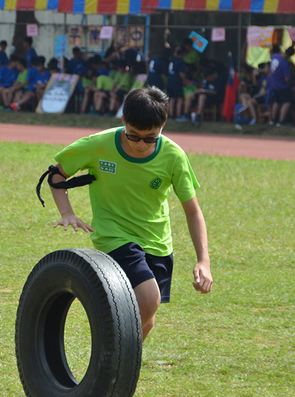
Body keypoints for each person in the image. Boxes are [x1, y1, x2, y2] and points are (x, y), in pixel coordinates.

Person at [43, 86, 213, 341]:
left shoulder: (174, 156)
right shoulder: (98, 145)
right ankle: (107, 361)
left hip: (157, 242)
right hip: (115, 236)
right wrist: (67, 212)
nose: (141, 145)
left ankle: (117, 376)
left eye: (150, 138)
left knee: (147, 321)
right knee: (148, 297)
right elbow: (57, 175)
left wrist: (204, 260)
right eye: (133, 136)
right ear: (123, 120)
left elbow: (193, 211)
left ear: (163, 125)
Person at [270, 46, 295, 126]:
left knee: (277, 101)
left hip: (274, 84)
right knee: (287, 102)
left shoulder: (275, 57)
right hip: (282, 86)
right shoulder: (285, 64)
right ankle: (281, 120)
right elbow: (287, 79)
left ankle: (273, 119)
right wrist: (292, 81)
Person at [167, 46, 187, 120]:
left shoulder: (172, 60)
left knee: (171, 98)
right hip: (176, 81)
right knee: (179, 98)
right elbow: (181, 73)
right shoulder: (181, 61)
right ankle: (178, 115)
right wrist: (185, 81)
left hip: (170, 80)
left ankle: (171, 115)